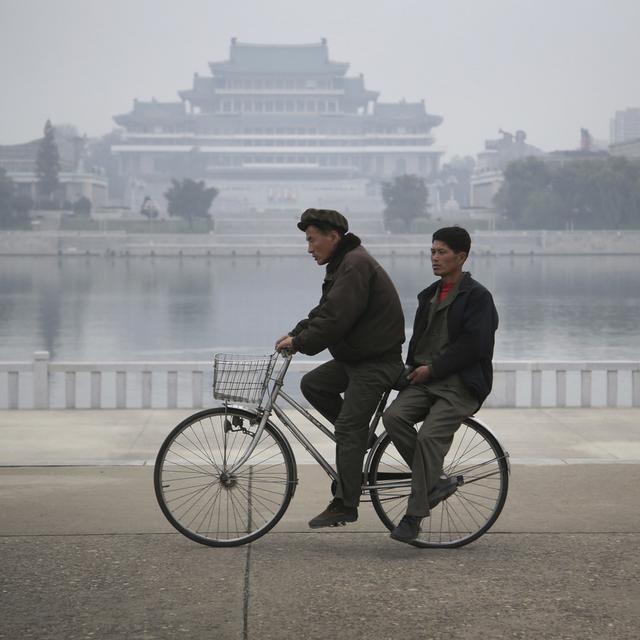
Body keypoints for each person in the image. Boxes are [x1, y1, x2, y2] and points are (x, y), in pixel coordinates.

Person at [276, 208, 405, 528]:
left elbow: (336, 320)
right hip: (356, 359)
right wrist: (296, 333)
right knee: (314, 384)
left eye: (312, 240)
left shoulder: (355, 265)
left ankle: (346, 503)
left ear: (333, 237)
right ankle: (362, 438)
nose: (309, 248)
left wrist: (301, 343)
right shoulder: (343, 264)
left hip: (375, 363)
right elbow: (325, 311)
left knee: (347, 428)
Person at [382, 226, 498, 544]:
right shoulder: (428, 295)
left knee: (429, 437)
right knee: (393, 417)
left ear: (461, 257)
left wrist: (432, 369)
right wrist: (408, 370)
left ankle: (413, 516)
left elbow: (474, 346)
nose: (434, 258)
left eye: (442, 252)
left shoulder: (478, 297)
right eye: (432, 251)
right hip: (424, 381)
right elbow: (418, 342)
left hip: (459, 385)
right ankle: (434, 482)